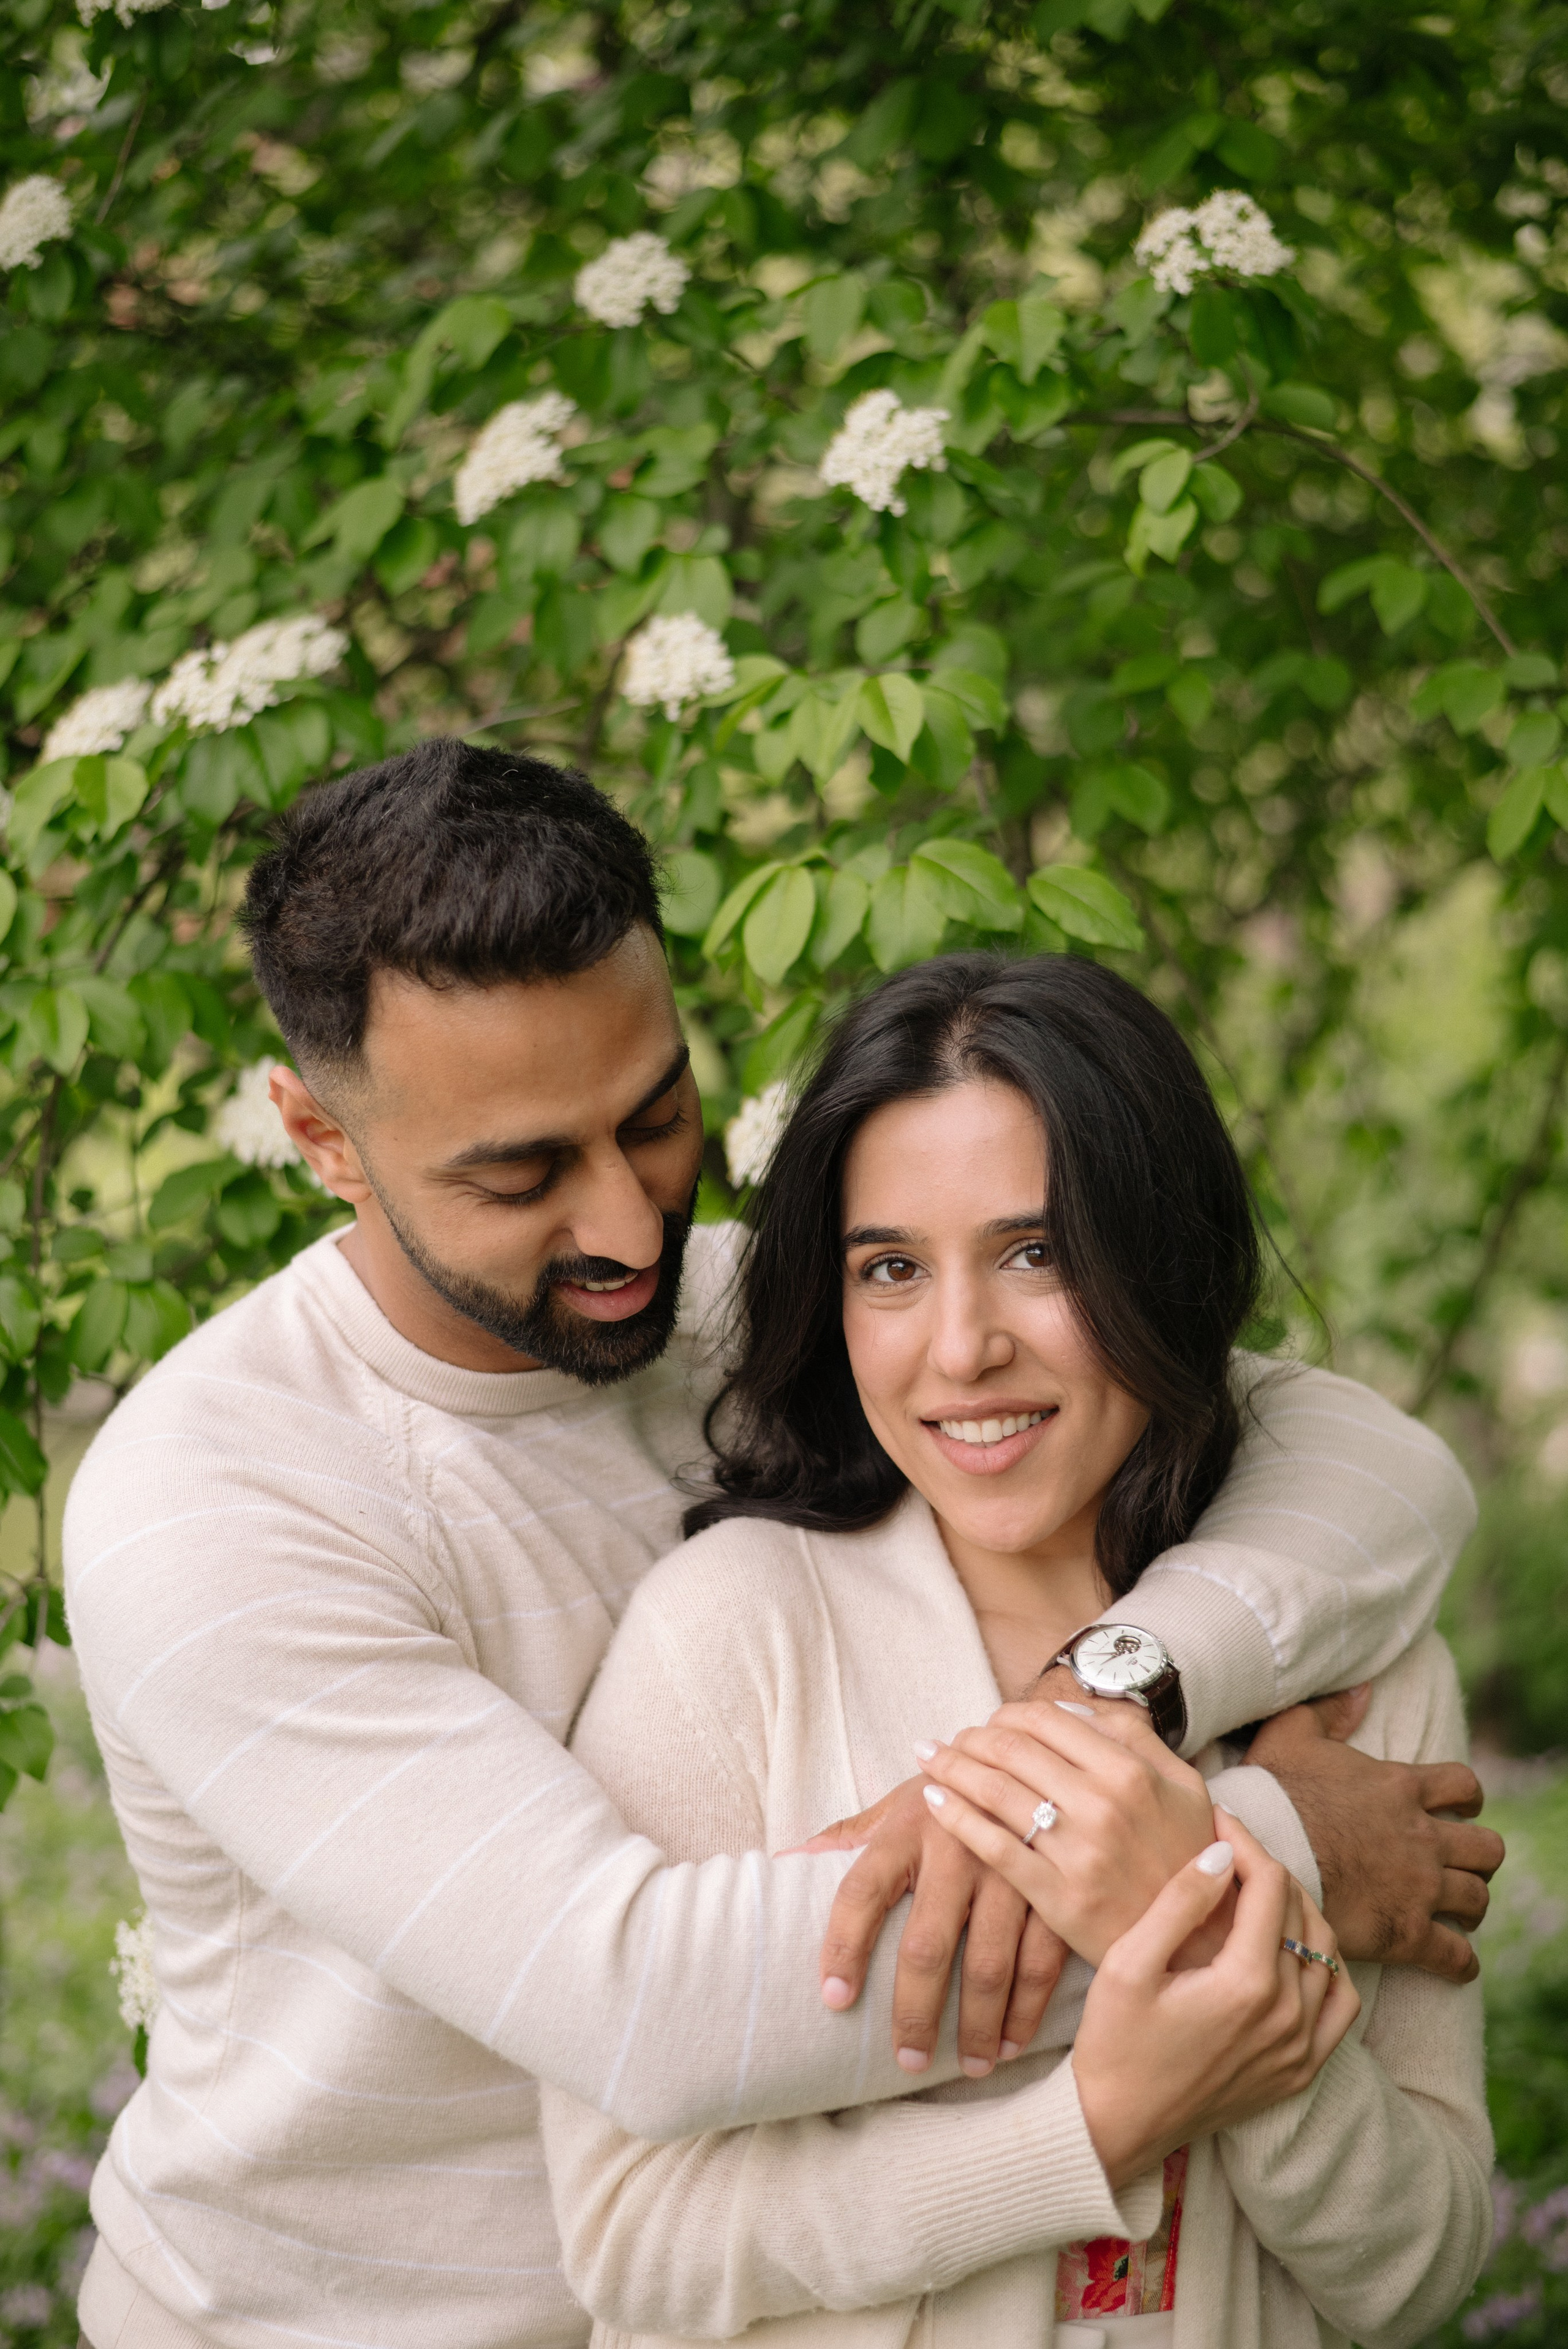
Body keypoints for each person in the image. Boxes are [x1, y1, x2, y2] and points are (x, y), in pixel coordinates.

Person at [61, 744, 1497, 2349]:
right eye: (521, 1172)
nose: (625, 1228)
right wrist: (1267, 1856)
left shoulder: (751, 1313)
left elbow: (1365, 1458)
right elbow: (650, 2003)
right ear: (320, 1137)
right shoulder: (210, 1505)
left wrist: (1113, 1693)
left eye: (655, 1115)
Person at [540, 952, 1493, 2349]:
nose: (960, 1347)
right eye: (889, 1270)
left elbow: (1417, 2273)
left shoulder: (1354, 1673)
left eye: (1034, 1254)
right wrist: (1096, 2118)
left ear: (1155, 1256)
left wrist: (1254, 2050)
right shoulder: (731, 1637)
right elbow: (633, 2245)